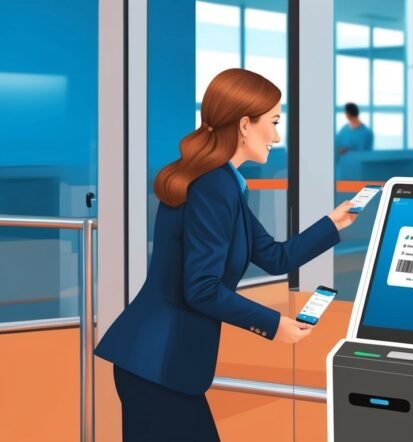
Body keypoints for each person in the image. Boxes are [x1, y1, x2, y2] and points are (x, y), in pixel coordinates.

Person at [95, 68, 358, 441]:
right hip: (159, 364)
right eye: (273, 122)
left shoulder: (224, 184)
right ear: (245, 124)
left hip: (157, 364)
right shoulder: (212, 186)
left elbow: (274, 257)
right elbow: (201, 288)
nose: (277, 136)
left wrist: (333, 223)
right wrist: (274, 325)